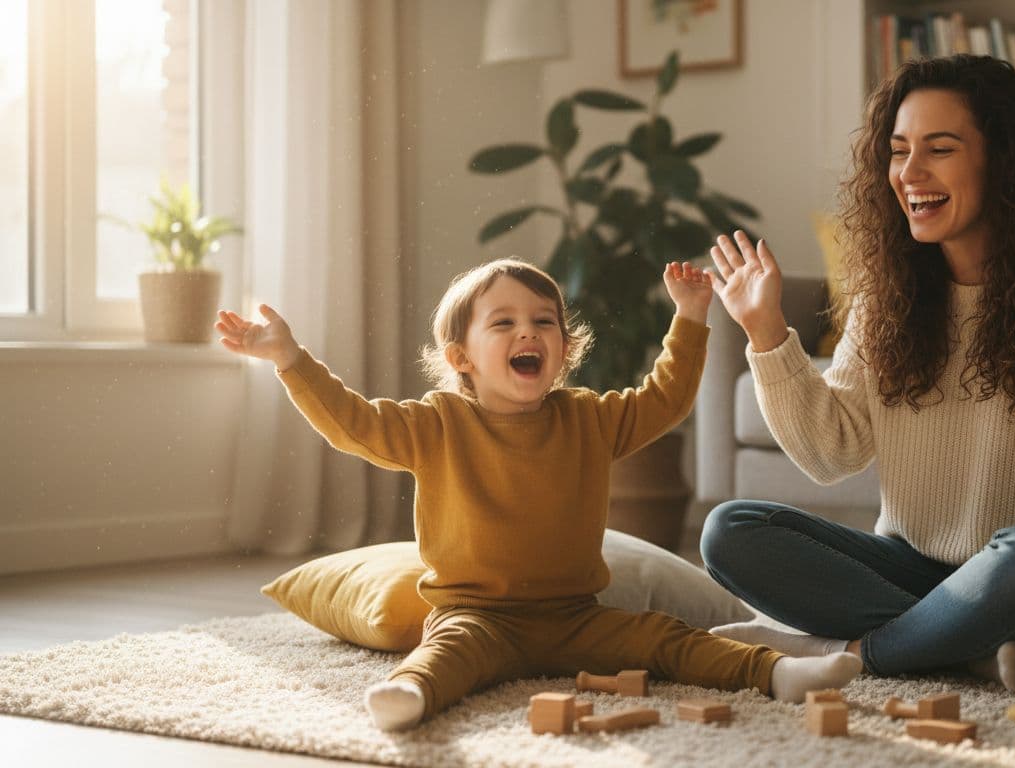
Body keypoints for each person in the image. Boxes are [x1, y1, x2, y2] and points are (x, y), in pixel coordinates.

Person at [215, 258, 861, 731]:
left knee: (664, 641)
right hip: (475, 616)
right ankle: (406, 692)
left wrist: (690, 319)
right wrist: (291, 361)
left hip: (578, 615)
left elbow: (663, 401)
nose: (529, 333)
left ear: (563, 348)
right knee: (445, 660)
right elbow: (351, 422)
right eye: (504, 323)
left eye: (543, 322)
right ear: (461, 357)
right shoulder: (437, 424)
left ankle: (775, 674)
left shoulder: (586, 418)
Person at [699, 55, 1015, 693]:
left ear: (1002, 159)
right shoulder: (889, 293)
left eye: (939, 149)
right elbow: (832, 453)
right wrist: (766, 332)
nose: (909, 173)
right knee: (731, 530)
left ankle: (859, 650)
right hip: (919, 570)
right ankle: (965, 648)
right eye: (897, 151)